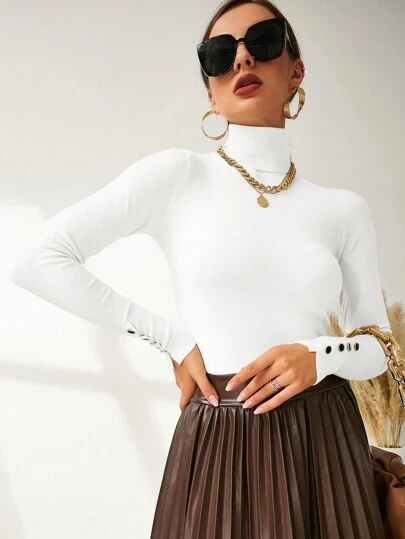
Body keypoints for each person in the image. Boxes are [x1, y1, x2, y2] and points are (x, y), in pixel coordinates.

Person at [9, 1, 391, 537]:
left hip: (324, 442)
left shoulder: (343, 210)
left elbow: (379, 347)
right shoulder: (179, 178)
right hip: (218, 440)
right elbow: (38, 259)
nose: (241, 59)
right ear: (211, 91)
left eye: (263, 41)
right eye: (219, 54)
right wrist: (171, 339)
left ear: (296, 71)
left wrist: (318, 355)